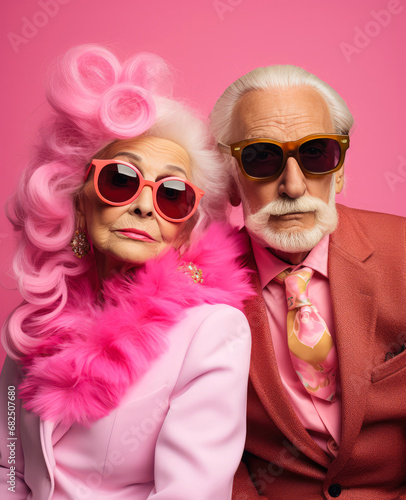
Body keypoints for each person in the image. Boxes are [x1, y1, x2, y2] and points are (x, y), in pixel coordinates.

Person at [0, 45, 254, 500]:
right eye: (120, 179)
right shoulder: (40, 314)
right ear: (78, 197)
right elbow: (8, 463)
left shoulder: (213, 331)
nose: (142, 204)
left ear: (186, 225)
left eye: (172, 194)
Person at [210, 65, 406, 499]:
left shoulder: (403, 253)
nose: (294, 186)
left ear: (338, 170)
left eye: (317, 153)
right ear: (229, 177)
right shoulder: (198, 288)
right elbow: (203, 453)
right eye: (261, 157)